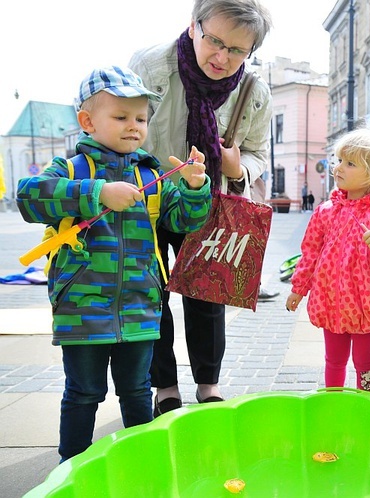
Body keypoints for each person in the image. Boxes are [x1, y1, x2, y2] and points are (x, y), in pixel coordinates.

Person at [15, 66, 211, 461]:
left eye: (140, 118)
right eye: (121, 117)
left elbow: (185, 221)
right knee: (84, 392)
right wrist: (98, 192)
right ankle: (70, 468)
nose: (134, 126)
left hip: (139, 305)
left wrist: (194, 187)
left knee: (138, 389)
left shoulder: (152, 173)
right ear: (87, 121)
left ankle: (140, 463)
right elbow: (30, 197)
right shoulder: (70, 169)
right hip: (83, 308)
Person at [129, 0, 273, 416]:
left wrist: (237, 165)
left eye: (237, 51)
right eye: (215, 41)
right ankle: (165, 387)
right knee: (151, 294)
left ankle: (208, 385)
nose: (222, 57)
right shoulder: (152, 67)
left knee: (208, 297)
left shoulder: (254, 90)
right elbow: (123, 125)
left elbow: (258, 152)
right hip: (149, 199)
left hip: (208, 201)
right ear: (193, 26)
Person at [285, 128, 370, 392]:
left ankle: (365, 404)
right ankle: (333, 401)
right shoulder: (326, 211)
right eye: (338, 161)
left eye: (350, 163)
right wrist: (298, 288)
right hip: (332, 301)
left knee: (365, 362)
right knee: (333, 360)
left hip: (369, 304)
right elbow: (310, 252)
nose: (338, 168)